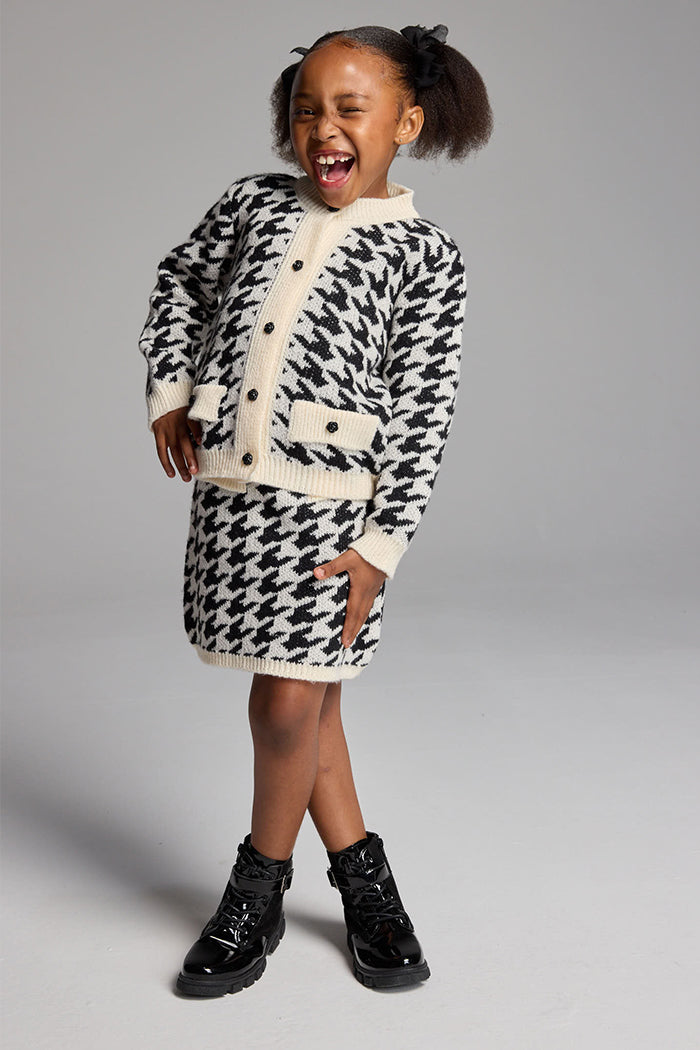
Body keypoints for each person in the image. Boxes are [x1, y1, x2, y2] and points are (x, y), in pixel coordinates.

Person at [138, 22, 492, 997]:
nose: (322, 128)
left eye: (348, 109)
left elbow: (423, 409)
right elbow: (181, 281)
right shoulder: (252, 205)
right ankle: (368, 886)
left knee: (285, 703)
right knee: (314, 703)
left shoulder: (424, 256)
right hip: (235, 502)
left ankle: (255, 889)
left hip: (336, 517)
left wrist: (382, 545)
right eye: (305, 109)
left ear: (406, 124)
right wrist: (172, 388)